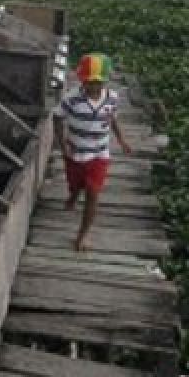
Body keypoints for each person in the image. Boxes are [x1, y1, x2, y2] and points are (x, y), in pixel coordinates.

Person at [52, 53, 133, 251]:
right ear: (82, 80)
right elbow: (57, 117)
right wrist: (62, 145)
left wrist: (121, 139)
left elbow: (112, 119)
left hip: (99, 154)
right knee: (75, 184)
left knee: (93, 192)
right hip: (75, 154)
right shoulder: (72, 99)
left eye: (98, 82)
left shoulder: (112, 99)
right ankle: (73, 194)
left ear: (105, 81)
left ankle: (83, 234)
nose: (93, 86)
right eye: (89, 82)